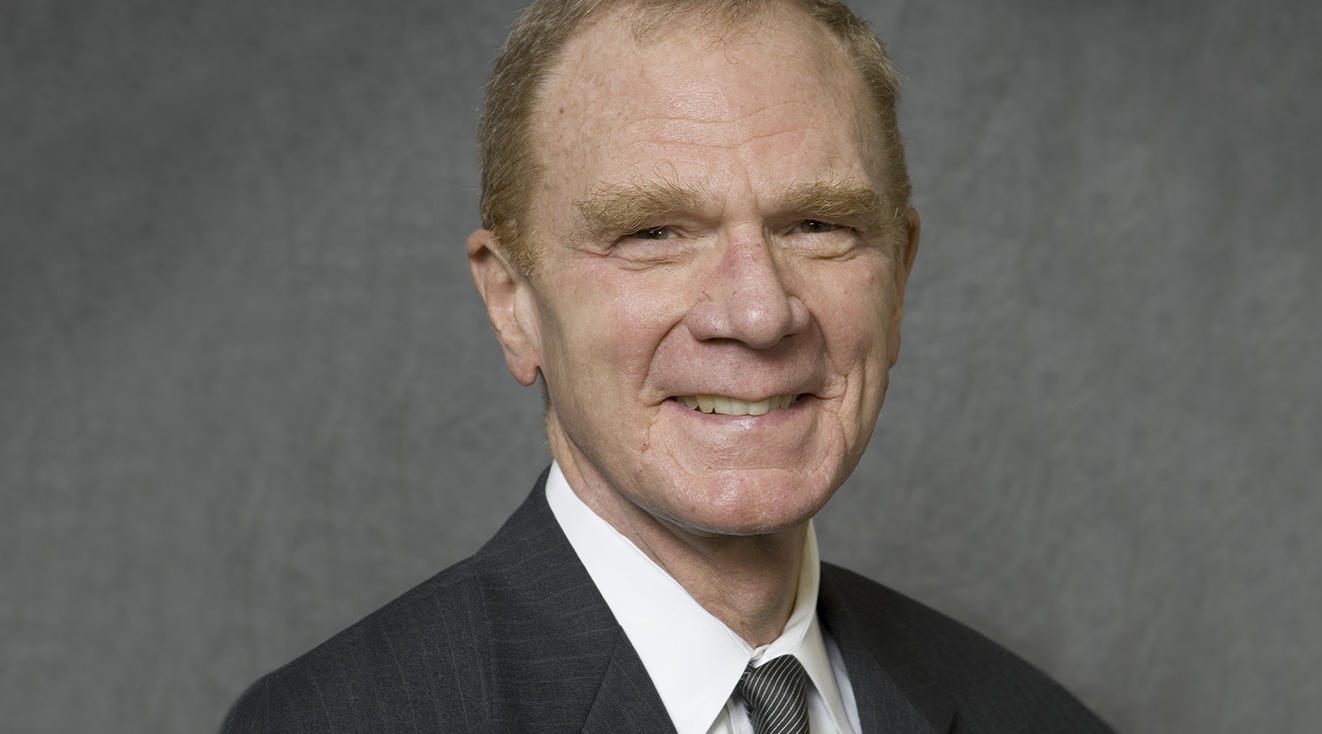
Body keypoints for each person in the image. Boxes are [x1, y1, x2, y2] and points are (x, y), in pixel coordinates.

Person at [222, 0, 1116, 732]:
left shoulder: (1037, 721)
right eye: (654, 234)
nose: (759, 313)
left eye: (817, 225)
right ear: (512, 305)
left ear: (900, 277)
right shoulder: (343, 722)